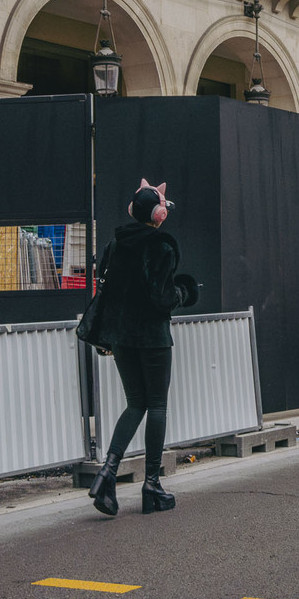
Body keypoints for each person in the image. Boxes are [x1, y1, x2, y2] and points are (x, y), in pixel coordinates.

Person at [85, 179, 200, 517]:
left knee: (134, 404)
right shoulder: (162, 245)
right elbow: (161, 298)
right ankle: (152, 484)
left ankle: (107, 472)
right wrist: (186, 292)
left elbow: (109, 289)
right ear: (159, 215)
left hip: (122, 337)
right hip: (152, 336)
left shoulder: (115, 244)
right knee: (157, 406)